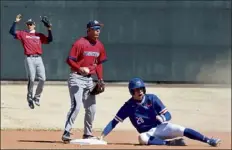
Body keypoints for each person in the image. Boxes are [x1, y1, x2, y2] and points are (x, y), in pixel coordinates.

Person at [98, 77, 221, 147]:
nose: (140, 92)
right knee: (141, 138)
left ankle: (209, 140)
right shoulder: (128, 106)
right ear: (131, 92)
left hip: (160, 127)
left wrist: (163, 118)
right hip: (147, 133)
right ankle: (170, 143)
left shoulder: (152, 98)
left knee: (181, 129)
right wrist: (102, 136)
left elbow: (168, 114)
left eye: (141, 89)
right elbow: (114, 122)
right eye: (136, 90)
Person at [61, 20, 107, 143]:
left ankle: (87, 133)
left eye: (99, 28)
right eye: (95, 28)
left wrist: (100, 79)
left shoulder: (100, 45)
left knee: (92, 108)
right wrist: (79, 68)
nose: (98, 31)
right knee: (76, 106)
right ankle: (66, 131)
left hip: (89, 80)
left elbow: (99, 65)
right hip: (76, 77)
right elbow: (69, 60)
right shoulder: (80, 43)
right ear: (89, 30)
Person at [9, 14, 53, 109]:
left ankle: (36, 97)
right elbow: (12, 32)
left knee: (43, 79)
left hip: (38, 58)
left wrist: (49, 29)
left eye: (31, 24)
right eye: (28, 24)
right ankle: (29, 98)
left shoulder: (39, 35)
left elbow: (50, 40)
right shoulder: (23, 34)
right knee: (32, 79)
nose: (29, 25)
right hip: (29, 58)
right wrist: (15, 22)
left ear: (34, 25)